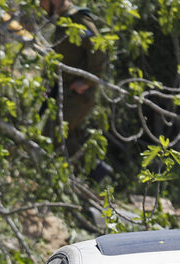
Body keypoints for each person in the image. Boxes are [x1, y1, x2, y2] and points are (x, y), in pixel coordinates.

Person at [40, 0, 108, 169]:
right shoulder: (63, 18)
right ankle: (82, 180)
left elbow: (99, 49)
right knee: (63, 136)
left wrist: (86, 81)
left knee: (55, 133)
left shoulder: (77, 18)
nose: (39, 4)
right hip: (64, 89)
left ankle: (94, 175)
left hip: (78, 93)